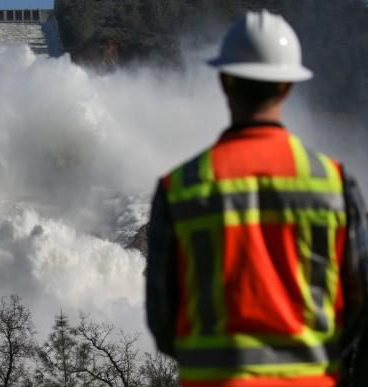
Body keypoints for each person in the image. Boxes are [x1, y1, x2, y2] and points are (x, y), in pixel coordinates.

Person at [146, 10, 368, 387]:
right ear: (288, 86)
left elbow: (162, 318)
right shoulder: (335, 184)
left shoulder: (179, 188)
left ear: (224, 82)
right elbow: (360, 304)